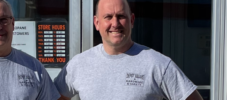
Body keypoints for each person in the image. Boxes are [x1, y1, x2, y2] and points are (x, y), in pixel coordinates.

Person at [54, 0, 203, 99]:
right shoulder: (78, 64)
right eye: (108, 17)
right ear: (97, 23)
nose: (115, 23)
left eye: (121, 16)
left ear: (131, 20)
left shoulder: (157, 64)